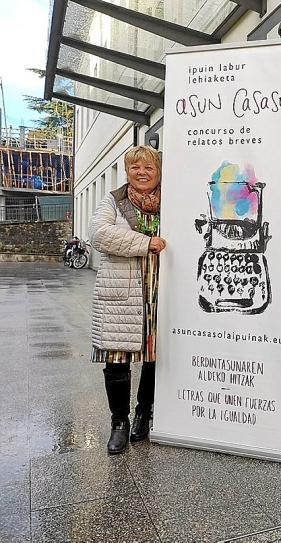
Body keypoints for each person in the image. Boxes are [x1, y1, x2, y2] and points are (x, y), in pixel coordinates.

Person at [90, 145, 166, 455]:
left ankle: (143, 415)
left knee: (154, 356)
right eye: (136, 167)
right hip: (121, 292)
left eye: (149, 167)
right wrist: (146, 243)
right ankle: (119, 422)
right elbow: (99, 235)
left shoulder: (172, 201)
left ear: (158, 172)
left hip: (160, 290)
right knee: (117, 360)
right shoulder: (113, 201)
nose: (142, 172)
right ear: (127, 171)